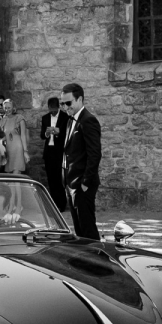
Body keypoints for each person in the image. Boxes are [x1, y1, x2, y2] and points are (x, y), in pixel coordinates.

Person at [60, 83, 101, 240]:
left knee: (87, 229)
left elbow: (95, 154)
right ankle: (84, 260)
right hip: (71, 183)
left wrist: (85, 182)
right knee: (79, 230)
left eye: (68, 103)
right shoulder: (71, 120)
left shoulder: (88, 120)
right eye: (62, 103)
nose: (65, 107)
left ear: (80, 99)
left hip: (82, 185)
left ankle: (97, 260)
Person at [40, 96, 68, 211]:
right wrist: (47, 133)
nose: (52, 111)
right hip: (49, 152)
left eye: (54, 109)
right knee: (51, 179)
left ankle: (62, 204)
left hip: (60, 151)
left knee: (60, 179)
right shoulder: (45, 118)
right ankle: (54, 205)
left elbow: (67, 134)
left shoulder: (65, 117)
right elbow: (42, 135)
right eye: (50, 109)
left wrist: (57, 132)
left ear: (58, 107)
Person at [0, 98, 30, 175]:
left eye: (9, 108)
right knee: (10, 179)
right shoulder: (3, 119)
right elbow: (2, 135)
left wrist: (25, 152)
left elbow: (23, 135)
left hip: (18, 149)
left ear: (13, 108)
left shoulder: (19, 118)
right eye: (5, 108)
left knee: (16, 175)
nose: (7, 110)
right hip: (8, 151)